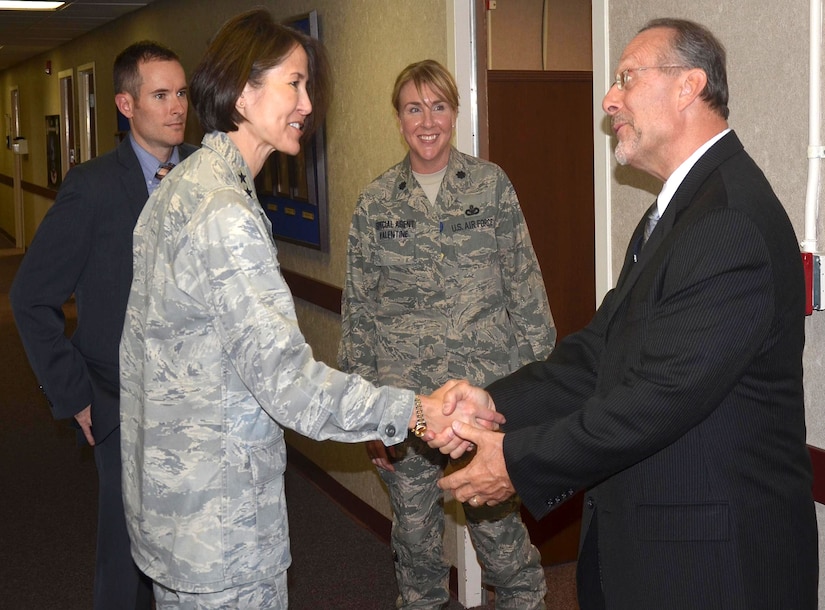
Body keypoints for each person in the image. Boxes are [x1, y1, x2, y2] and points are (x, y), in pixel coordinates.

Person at [430, 18, 819, 610]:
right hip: (656, 548)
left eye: (627, 78)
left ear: (689, 86)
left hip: (713, 567)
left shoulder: (729, 220)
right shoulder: (681, 209)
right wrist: (494, 403)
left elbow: (660, 397)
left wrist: (516, 460)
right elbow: (598, 353)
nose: (609, 99)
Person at [118, 11, 502, 609]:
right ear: (245, 92)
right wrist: (417, 414)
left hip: (174, 509)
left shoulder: (180, 184)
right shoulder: (224, 214)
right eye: (293, 83)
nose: (306, 102)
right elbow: (290, 387)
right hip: (222, 530)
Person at [338, 59, 553, 609]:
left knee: (507, 554)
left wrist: (541, 396)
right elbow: (359, 313)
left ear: (455, 113)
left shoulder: (490, 186)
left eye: (438, 106)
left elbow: (526, 292)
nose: (427, 121)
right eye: (414, 108)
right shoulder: (375, 202)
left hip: (485, 408)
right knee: (416, 558)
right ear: (399, 118)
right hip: (406, 413)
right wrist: (366, 414)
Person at [10, 41, 194, 610]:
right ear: (125, 104)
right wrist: (77, 396)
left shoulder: (208, 182)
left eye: (182, 93)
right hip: (121, 404)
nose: (177, 107)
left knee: (194, 557)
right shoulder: (92, 187)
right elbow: (31, 297)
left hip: (198, 408)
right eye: (160, 95)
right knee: (127, 564)